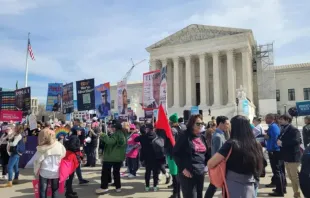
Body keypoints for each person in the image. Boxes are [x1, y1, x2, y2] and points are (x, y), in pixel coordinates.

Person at [207, 115, 264, 197]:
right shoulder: (256, 144)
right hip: (251, 182)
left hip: (233, 183)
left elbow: (210, 163)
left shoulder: (231, 144)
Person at [173, 114, 208, 198]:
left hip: (200, 172)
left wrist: (207, 166)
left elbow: (206, 153)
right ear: (192, 124)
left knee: (199, 195)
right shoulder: (184, 136)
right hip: (188, 173)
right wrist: (183, 169)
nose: (200, 126)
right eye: (198, 124)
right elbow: (175, 153)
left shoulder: (202, 137)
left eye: (202, 124)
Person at [34, 128, 66, 198]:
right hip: (55, 171)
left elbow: (37, 160)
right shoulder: (59, 146)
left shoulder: (41, 148)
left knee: (43, 190)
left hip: (44, 171)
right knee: (55, 190)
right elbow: (63, 155)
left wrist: (36, 171)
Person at [96, 121, 126, 194]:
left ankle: (104, 187)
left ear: (115, 128)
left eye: (112, 127)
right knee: (116, 172)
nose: (111, 128)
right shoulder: (122, 134)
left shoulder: (116, 134)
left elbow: (110, 141)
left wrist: (103, 135)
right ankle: (118, 187)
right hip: (118, 157)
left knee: (105, 173)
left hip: (110, 157)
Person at [277, 114, 302, 198]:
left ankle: (298, 195)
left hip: (293, 157)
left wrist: (282, 143)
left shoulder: (294, 130)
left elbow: (296, 141)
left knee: (295, 177)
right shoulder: (283, 129)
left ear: (287, 120)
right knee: (291, 177)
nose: (280, 121)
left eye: (282, 119)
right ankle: (296, 193)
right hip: (286, 157)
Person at [205, 116, 229, 198]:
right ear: (221, 124)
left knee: (214, 185)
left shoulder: (221, 134)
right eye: (226, 124)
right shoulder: (218, 136)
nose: (227, 126)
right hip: (219, 165)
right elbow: (217, 154)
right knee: (213, 185)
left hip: (219, 165)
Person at [135, 123, 162, 192]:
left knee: (148, 172)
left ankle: (147, 186)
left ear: (147, 129)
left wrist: (138, 133)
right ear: (153, 129)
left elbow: (135, 139)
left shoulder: (143, 137)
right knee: (155, 173)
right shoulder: (157, 136)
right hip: (156, 158)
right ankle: (155, 186)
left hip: (147, 158)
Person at [265, 113, 286, 197]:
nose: (265, 120)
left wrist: (271, 149)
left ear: (271, 119)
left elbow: (274, 139)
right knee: (278, 171)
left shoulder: (273, 127)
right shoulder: (274, 126)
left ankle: (279, 191)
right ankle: (280, 188)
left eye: (267, 118)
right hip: (275, 150)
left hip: (274, 151)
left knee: (277, 171)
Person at [64, 128, 82, 198]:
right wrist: (78, 149)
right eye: (79, 130)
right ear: (76, 131)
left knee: (70, 176)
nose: (80, 131)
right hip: (71, 157)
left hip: (70, 156)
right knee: (70, 176)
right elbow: (71, 146)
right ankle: (68, 193)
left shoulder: (72, 137)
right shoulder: (74, 137)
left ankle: (69, 191)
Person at [167, 113, 181, 198]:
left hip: (172, 155)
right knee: (177, 175)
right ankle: (177, 193)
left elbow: (169, 143)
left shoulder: (172, 130)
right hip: (179, 155)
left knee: (175, 175)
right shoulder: (182, 128)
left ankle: (176, 194)